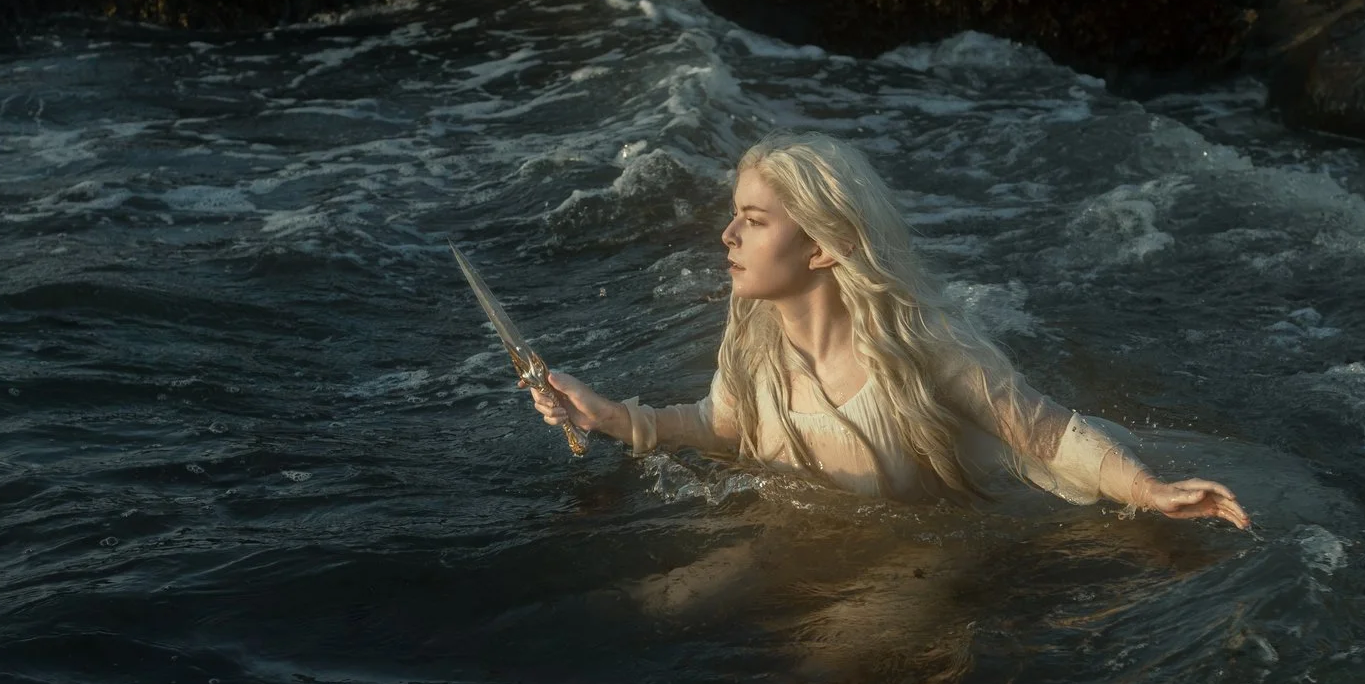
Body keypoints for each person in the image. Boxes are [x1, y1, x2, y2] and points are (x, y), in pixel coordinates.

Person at [529, 133, 1251, 529]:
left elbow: (1048, 433)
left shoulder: (923, 348)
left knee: (840, 658)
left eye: (753, 221)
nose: (725, 235)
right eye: (734, 216)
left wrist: (1151, 489)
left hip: (934, 556)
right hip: (813, 532)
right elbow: (721, 425)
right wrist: (617, 418)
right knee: (667, 603)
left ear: (822, 245)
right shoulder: (753, 347)